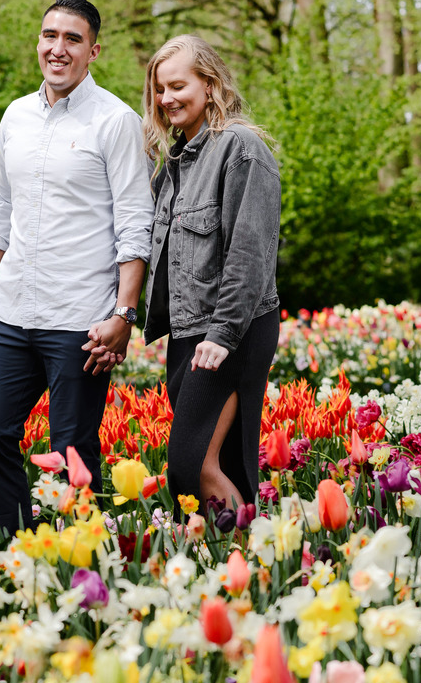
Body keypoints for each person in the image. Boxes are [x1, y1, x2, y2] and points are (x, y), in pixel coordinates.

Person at [0, 0, 153, 534]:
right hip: (11, 313)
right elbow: (0, 202)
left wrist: (124, 313)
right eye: (50, 36)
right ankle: (19, 543)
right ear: (38, 43)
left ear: (92, 50)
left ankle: (83, 564)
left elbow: (136, 221)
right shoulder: (16, 115)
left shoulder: (117, 122)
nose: (58, 48)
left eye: (72, 39)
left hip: (80, 321)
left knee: (72, 455)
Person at [141, 35, 281, 513]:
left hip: (232, 331)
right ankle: (233, 570)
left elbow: (251, 251)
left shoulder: (241, 149)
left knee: (191, 463)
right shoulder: (173, 166)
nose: (166, 99)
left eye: (178, 85)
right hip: (188, 333)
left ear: (210, 83)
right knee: (212, 465)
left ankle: (251, 551)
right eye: (160, 89)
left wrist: (222, 333)